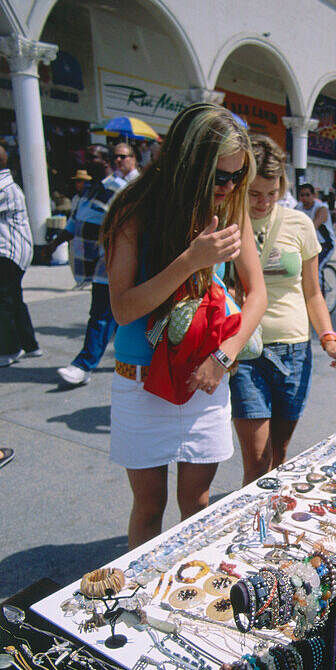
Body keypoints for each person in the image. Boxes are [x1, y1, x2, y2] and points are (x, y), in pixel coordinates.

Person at [102, 103, 266, 548]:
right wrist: (191, 261)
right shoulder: (135, 210)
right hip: (140, 379)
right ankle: (137, 596)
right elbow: (123, 309)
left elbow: (258, 295)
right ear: (188, 164)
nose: (230, 187)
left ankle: (188, 590)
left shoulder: (232, 207)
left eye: (238, 176)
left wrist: (223, 356)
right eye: (221, 176)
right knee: (150, 506)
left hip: (204, 376)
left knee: (197, 501)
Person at [231, 136, 336, 484]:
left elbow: (313, 292)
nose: (264, 202)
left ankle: (273, 524)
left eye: (273, 192)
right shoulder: (225, 221)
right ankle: (251, 528)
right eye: (254, 193)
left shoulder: (299, 224)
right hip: (246, 351)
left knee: (279, 457)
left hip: (295, 350)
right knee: (256, 461)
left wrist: (328, 338)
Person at [45, 144, 127, 386]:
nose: (86, 160)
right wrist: (53, 245)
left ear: (106, 161)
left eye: (92, 157)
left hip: (111, 260)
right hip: (91, 262)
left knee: (100, 314)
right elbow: (74, 222)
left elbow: (123, 226)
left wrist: (93, 231)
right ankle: (125, 358)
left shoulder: (119, 190)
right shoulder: (89, 189)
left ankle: (84, 365)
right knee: (112, 315)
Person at [0, 143, 42, 367]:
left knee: (3, 301)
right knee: (14, 299)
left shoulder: (5, 187)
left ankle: (10, 349)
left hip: (8, 253)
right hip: (11, 252)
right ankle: (30, 345)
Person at [296, 181, 336, 276]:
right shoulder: (298, 208)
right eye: (302, 195)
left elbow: (313, 226)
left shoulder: (321, 209)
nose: (304, 197)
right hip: (307, 245)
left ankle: (320, 290)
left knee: (315, 269)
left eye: (307, 195)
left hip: (325, 245)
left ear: (314, 195)